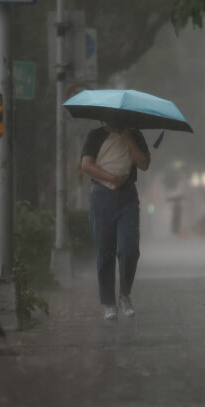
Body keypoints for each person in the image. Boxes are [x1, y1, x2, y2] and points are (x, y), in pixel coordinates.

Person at [80, 120, 150, 320]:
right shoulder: (96, 135)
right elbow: (86, 165)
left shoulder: (135, 134)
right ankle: (109, 303)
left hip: (127, 197)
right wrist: (110, 178)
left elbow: (143, 164)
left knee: (129, 249)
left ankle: (125, 294)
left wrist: (128, 138)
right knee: (104, 252)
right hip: (101, 196)